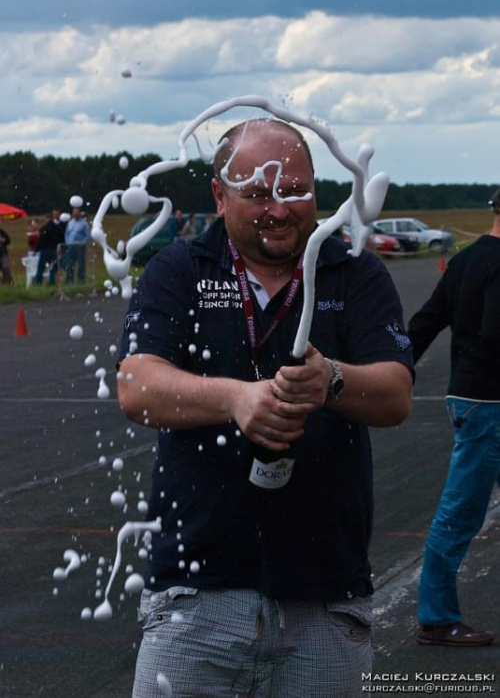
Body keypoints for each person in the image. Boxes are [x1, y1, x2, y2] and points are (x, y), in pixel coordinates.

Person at [117, 119, 413, 698]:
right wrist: (236, 398)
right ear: (219, 196)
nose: (280, 208)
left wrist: (331, 379)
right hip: (194, 597)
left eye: (296, 190)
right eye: (257, 194)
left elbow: (396, 392)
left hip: (324, 598)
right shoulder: (180, 270)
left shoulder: (355, 272)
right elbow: (136, 385)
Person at [408, 190, 500, 647]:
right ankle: (437, 618)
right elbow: (494, 332)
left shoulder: (465, 262)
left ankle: (438, 615)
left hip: (470, 399)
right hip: (490, 406)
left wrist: (395, 373)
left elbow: (424, 324)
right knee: (460, 513)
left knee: (460, 512)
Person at [35, 209, 65, 285]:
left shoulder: (45, 227)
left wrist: (38, 248)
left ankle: (38, 282)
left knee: (41, 267)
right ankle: (51, 281)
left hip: (45, 249)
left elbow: (40, 239)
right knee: (53, 267)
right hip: (54, 249)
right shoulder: (59, 228)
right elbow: (61, 239)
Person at [64, 207, 91, 283]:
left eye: (77, 213)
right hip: (70, 246)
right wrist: (67, 242)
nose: (75, 214)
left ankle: (81, 279)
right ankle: (69, 279)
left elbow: (88, 236)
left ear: (79, 213)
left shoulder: (84, 224)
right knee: (70, 263)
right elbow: (67, 234)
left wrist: (81, 244)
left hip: (80, 247)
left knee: (81, 263)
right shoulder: (70, 223)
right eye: (74, 213)